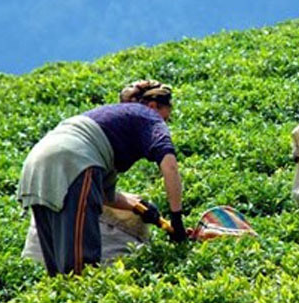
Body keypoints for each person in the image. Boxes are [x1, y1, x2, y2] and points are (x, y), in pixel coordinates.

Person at [17, 80, 188, 276]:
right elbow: (170, 166)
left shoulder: (109, 124)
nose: (164, 124)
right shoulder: (149, 116)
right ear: (152, 106)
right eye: (166, 118)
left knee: (57, 266)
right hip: (74, 161)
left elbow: (106, 196)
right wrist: (177, 219)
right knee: (82, 268)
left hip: (36, 163)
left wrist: (139, 207)